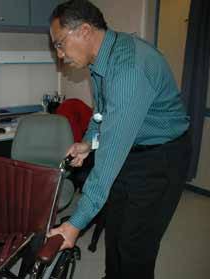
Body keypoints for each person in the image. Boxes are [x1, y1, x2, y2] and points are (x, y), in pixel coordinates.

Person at [47, 1, 191, 279]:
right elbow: (101, 113)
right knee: (115, 231)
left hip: (161, 157)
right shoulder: (102, 58)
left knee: (135, 244)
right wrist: (88, 142)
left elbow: (109, 159)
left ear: (85, 31)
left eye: (60, 44)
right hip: (134, 150)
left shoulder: (128, 69)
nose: (60, 55)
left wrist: (74, 224)